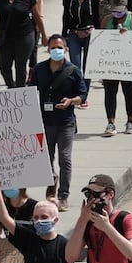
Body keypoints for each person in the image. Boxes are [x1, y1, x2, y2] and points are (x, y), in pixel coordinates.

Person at [33, 34, 84, 210]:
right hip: (46, 121)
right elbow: (31, 91)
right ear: (48, 49)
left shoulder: (73, 71)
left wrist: (71, 101)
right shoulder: (39, 69)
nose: (56, 50)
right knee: (47, 159)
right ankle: (51, 186)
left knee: (65, 158)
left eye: (60, 48)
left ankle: (63, 195)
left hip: (66, 122)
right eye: (53, 47)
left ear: (66, 49)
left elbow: (82, 95)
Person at [98, 0, 132, 137]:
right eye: (115, 11)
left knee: (129, 91)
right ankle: (110, 122)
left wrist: (130, 36)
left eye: (120, 12)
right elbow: (101, 39)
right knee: (110, 92)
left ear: (126, 8)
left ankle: (130, 121)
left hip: (129, 63)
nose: (117, 14)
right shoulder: (107, 20)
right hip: (112, 62)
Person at [0, 0, 43, 89]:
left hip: (25, 34)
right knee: (4, 65)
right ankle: (11, 86)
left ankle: (20, 90)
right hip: (6, 36)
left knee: (20, 65)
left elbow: (37, 16)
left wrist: (44, 34)